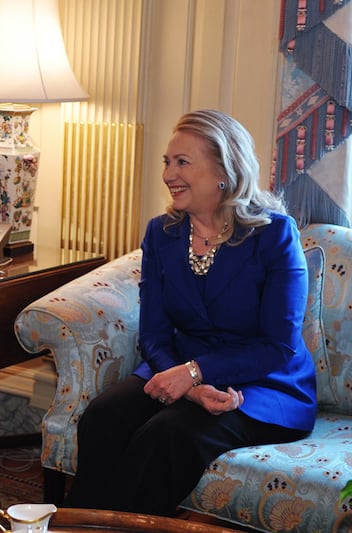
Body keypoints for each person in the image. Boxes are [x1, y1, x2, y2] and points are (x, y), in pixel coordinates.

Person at [63, 109, 317, 516]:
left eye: (182, 162)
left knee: (166, 434)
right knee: (103, 417)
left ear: (223, 169)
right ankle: (78, 526)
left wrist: (194, 373)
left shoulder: (273, 235)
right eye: (167, 161)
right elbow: (154, 336)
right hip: (177, 367)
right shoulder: (162, 234)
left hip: (264, 386)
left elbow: (278, 347)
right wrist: (188, 382)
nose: (168, 174)